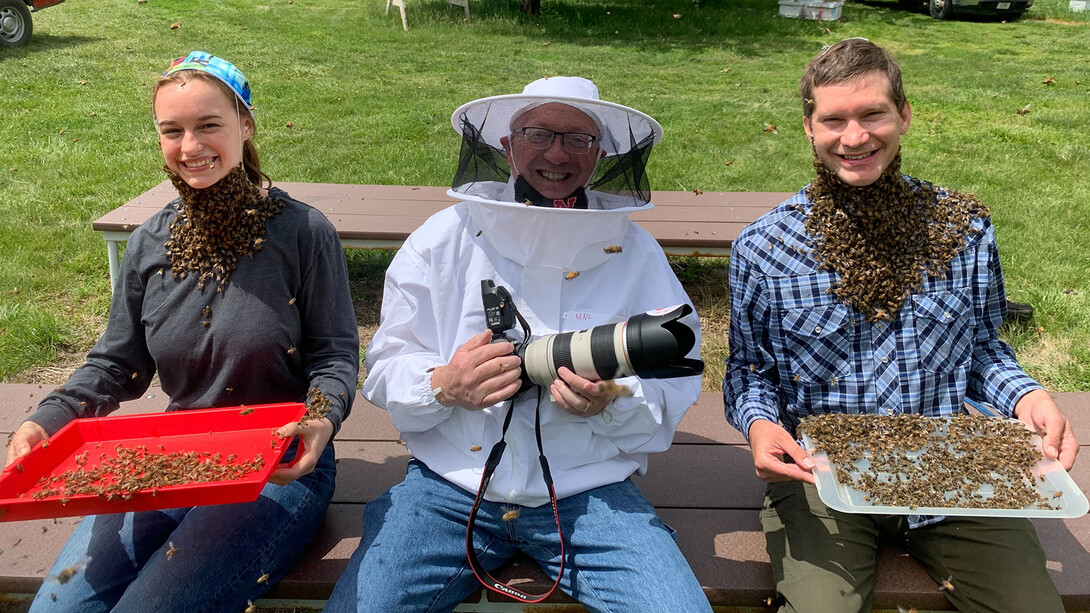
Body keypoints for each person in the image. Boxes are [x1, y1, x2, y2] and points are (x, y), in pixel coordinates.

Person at [325, 76, 710, 613]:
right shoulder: (440, 240)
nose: (558, 153)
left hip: (586, 491)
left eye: (579, 139)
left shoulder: (636, 252)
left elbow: (677, 368)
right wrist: (443, 385)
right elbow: (386, 363)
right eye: (538, 133)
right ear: (506, 145)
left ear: (601, 154)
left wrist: (611, 401)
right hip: (448, 489)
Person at [723, 38, 1078, 613]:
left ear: (904, 115)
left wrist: (1026, 396)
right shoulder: (764, 248)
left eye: (873, 114)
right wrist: (761, 425)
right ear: (809, 127)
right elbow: (750, 369)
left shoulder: (964, 230)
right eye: (834, 119)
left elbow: (983, 348)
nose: (855, 137)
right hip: (822, 477)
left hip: (949, 469)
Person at [5, 51, 359, 613]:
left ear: (245, 124)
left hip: (281, 462)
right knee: (58, 607)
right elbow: (115, 364)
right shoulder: (150, 242)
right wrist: (47, 418)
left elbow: (336, 355)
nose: (190, 146)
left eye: (208, 125)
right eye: (172, 131)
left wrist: (321, 418)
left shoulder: (302, 232)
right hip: (178, 452)